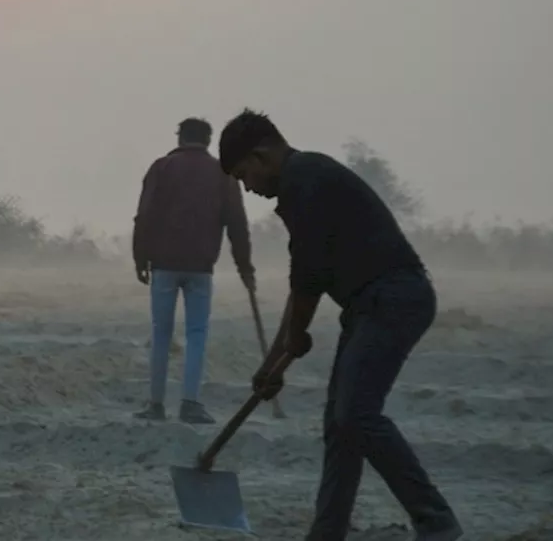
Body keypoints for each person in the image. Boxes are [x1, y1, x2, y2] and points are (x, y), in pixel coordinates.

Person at [216, 109, 461, 541]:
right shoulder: (302, 182)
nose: (248, 188)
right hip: (369, 306)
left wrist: (294, 340)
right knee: (340, 423)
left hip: (394, 298)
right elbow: (302, 284)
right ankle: (327, 532)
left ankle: (436, 520)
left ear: (261, 155)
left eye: (244, 175)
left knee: (356, 415)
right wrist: (273, 362)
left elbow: (308, 279)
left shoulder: (306, 181)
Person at [131, 117, 256, 424]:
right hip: (201, 266)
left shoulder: (161, 168)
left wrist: (140, 258)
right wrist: (245, 267)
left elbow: (144, 216)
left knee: (161, 334)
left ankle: (156, 405)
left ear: (180, 138)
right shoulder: (222, 174)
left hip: (163, 264)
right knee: (197, 334)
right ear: (208, 140)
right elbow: (237, 225)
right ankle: (190, 403)